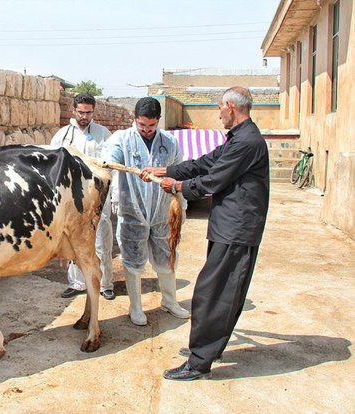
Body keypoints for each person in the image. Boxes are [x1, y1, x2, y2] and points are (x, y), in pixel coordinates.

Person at [140, 87, 270, 380]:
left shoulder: (247, 142)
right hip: (229, 226)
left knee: (213, 294)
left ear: (230, 107)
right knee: (223, 291)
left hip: (237, 229)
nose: (218, 114)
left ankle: (199, 362)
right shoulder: (239, 139)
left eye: (219, 108)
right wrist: (164, 170)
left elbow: (213, 179)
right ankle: (209, 349)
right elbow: (204, 163)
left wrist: (177, 187)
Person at [101, 97, 190, 325]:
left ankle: (169, 301)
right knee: (132, 260)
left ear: (158, 121)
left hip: (161, 211)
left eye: (151, 126)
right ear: (135, 118)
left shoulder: (169, 142)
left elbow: (178, 171)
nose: (147, 130)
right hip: (133, 212)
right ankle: (136, 307)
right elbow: (109, 162)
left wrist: (180, 203)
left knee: (167, 256)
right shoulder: (122, 139)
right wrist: (113, 162)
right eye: (142, 126)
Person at [50, 93, 116, 300]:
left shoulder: (103, 134)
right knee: (73, 238)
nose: (84, 116)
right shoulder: (62, 135)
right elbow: (53, 164)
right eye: (81, 112)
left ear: (93, 112)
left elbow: (111, 164)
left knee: (102, 238)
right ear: (74, 111)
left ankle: (105, 284)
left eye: (88, 113)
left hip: (97, 195)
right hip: (71, 196)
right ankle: (77, 282)